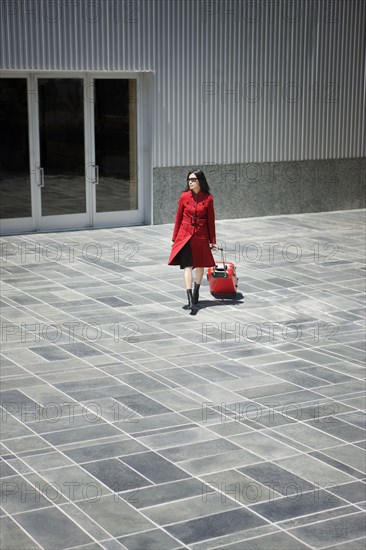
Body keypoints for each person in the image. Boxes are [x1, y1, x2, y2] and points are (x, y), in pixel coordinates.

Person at [168, 168, 218, 314]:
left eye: (193, 179)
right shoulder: (184, 197)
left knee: (200, 264)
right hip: (184, 236)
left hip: (201, 236)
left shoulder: (208, 198)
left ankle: (197, 289)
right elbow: (178, 218)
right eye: (189, 179)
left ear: (200, 181)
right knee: (187, 266)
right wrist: (174, 238)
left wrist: (213, 241)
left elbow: (211, 221)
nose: (190, 182)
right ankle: (189, 297)